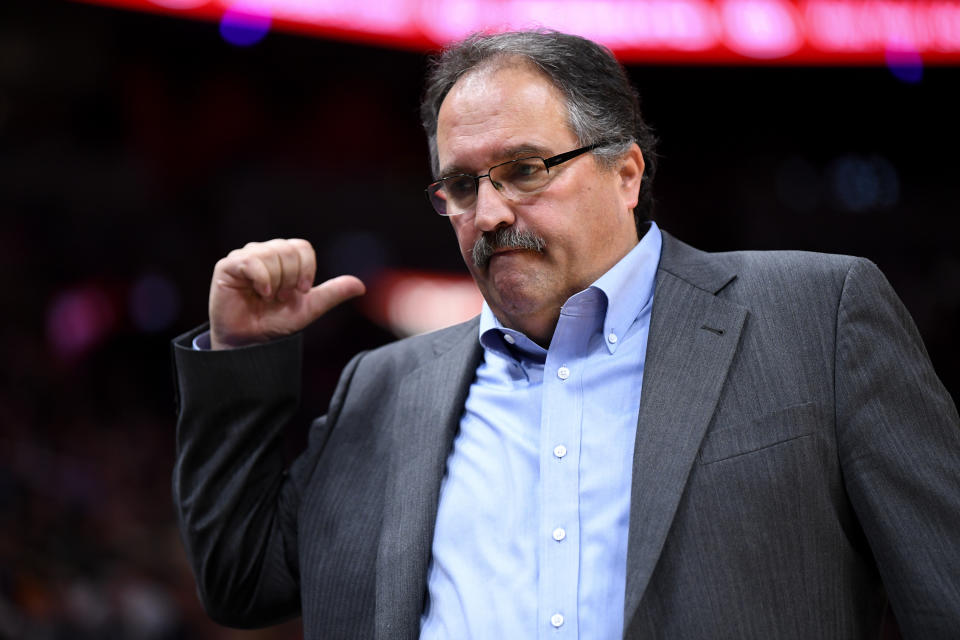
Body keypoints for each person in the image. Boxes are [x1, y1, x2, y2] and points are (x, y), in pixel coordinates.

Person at [171, 30, 960, 639]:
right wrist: (243, 356)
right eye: (460, 185)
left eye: (525, 170)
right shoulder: (380, 389)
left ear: (627, 173)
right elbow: (242, 580)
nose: (490, 214)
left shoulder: (817, 315)